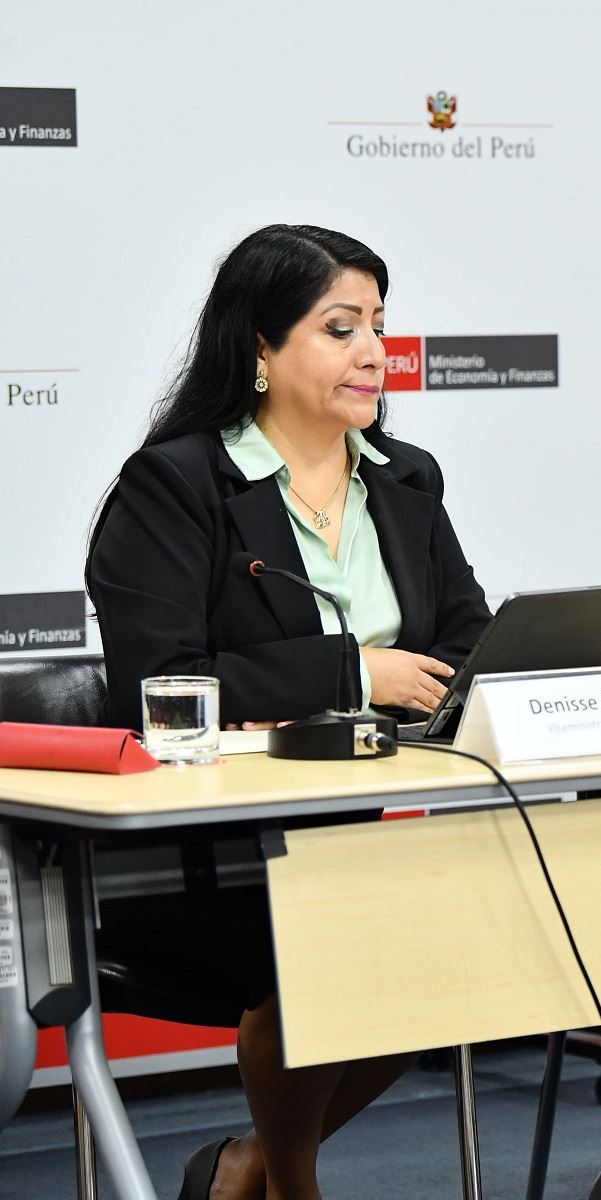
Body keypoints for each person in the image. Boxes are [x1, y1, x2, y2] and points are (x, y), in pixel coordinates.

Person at [86, 224, 491, 1200]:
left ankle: (250, 1173)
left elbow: (468, 636)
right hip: (208, 854)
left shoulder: (403, 480)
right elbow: (163, 682)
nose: (371, 353)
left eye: (380, 327)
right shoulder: (177, 488)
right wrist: (354, 674)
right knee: (333, 934)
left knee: (481, 935)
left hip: (366, 822)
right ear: (260, 350)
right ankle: (294, 1185)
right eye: (339, 326)